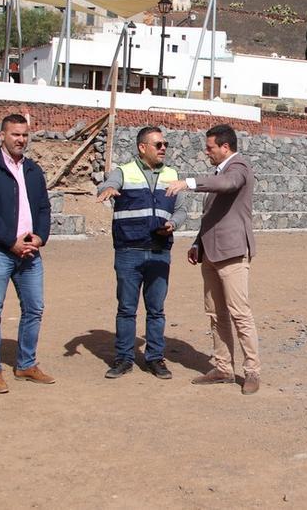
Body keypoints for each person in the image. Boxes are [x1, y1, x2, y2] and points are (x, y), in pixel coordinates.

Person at [164, 124, 261, 395]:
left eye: (210, 148)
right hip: (211, 253)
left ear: (225, 147)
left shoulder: (239, 167)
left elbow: (228, 185)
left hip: (232, 254)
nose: (207, 152)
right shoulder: (218, 173)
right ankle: (223, 368)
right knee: (216, 314)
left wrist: (188, 182)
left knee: (240, 314)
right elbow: (212, 218)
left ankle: (252, 371)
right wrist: (198, 243)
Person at [0, 113, 55, 394]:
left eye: (25, 135)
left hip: (30, 251)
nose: (21, 139)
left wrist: (40, 237)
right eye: (15, 134)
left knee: (34, 308)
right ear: (2, 135)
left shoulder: (33, 170)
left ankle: (26, 364)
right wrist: (10, 242)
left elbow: (43, 207)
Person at [95, 126, 185, 380]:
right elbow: (110, 183)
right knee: (126, 308)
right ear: (142, 147)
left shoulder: (172, 175)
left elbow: (181, 211)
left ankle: (155, 358)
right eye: (158, 144)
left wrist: (173, 224)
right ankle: (124, 358)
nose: (163, 148)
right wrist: (109, 189)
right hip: (129, 251)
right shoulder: (124, 172)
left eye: (165, 143)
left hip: (159, 253)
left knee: (156, 310)